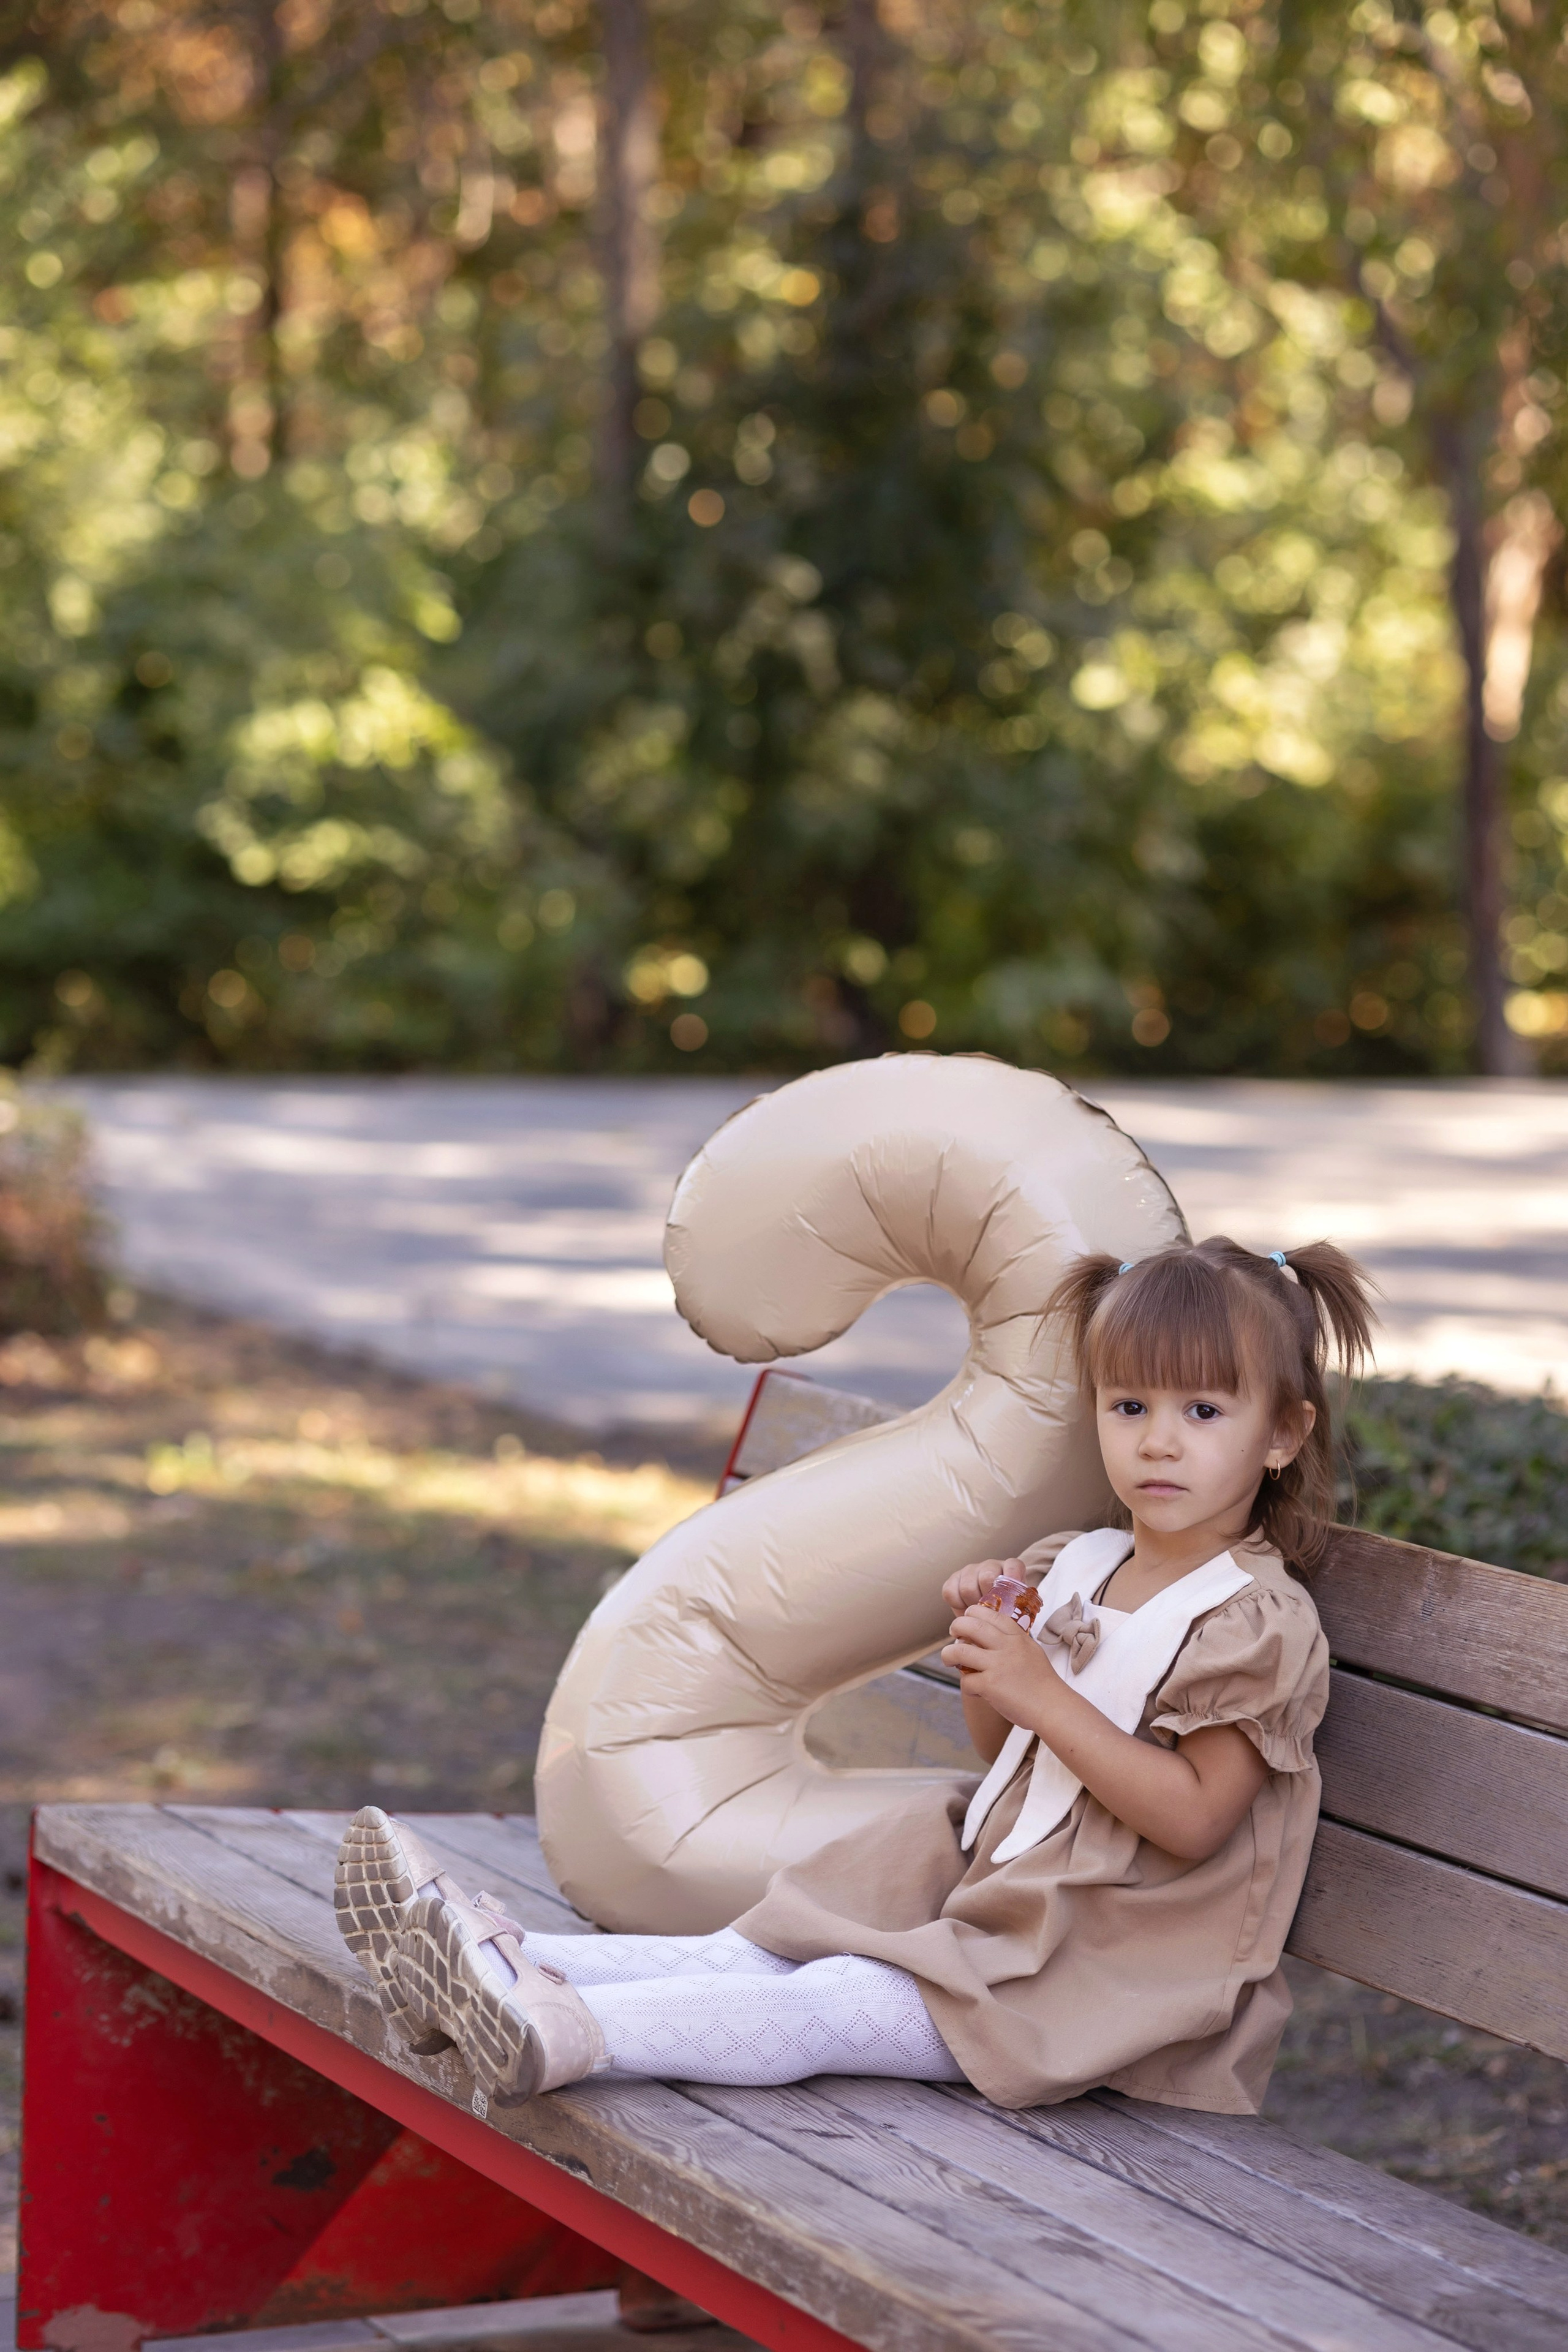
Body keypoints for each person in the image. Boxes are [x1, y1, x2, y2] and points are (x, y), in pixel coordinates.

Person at [336, 1235, 1374, 2114]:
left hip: (1105, 1977)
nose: (1159, 1442)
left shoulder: (1256, 1622)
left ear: (1283, 1433)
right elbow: (1000, 1750)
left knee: (829, 1999)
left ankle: (563, 2030)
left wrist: (1042, 1692)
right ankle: (493, 1958)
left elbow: (1195, 1819)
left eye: (1203, 1413)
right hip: (1002, 1913)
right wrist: (991, 1657)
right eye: (1130, 1406)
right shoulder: (1079, 1567)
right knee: (752, 1954)